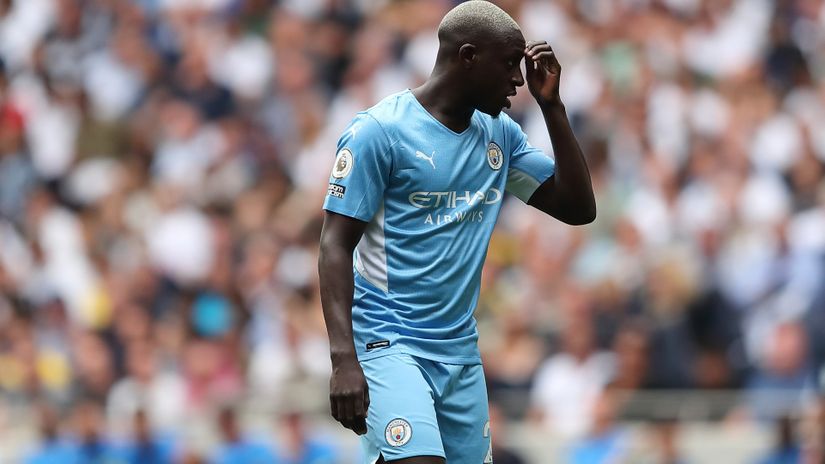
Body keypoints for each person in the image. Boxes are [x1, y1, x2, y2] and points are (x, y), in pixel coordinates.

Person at [317, 1, 595, 463]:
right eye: (509, 64)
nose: (518, 79)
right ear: (468, 57)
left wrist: (553, 107)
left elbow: (578, 208)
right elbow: (334, 245)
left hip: (459, 351)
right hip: (389, 341)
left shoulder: (500, 135)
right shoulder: (379, 132)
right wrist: (343, 357)